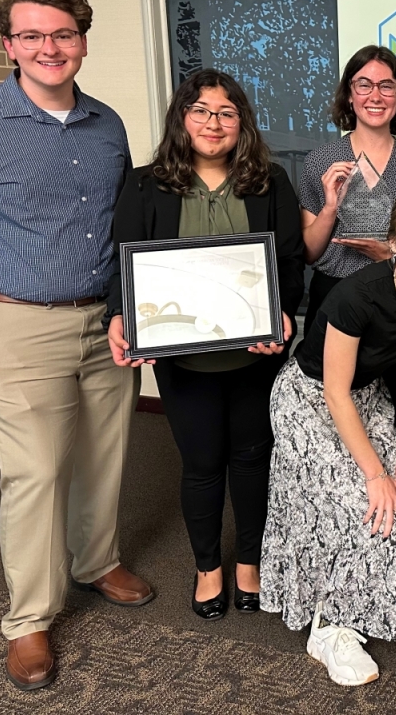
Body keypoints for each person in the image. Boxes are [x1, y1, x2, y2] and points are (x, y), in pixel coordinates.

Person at [0, 0, 151, 691]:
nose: (50, 48)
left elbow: (122, 227)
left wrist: (129, 308)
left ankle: (95, 561)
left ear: (82, 40)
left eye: (64, 35)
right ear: (9, 45)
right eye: (33, 36)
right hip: (14, 321)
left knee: (106, 453)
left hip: (103, 320)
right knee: (36, 472)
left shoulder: (106, 124)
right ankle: (28, 620)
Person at [105, 69, 306, 620]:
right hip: (182, 357)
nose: (213, 123)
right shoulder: (147, 185)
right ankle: (207, 568)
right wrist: (122, 315)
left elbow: (288, 261)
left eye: (226, 113)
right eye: (201, 111)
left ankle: (248, 564)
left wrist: (282, 316)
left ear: (241, 124)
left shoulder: (270, 183)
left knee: (250, 457)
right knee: (200, 463)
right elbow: (124, 262)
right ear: (182, 119)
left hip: (252, 355)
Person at [259, 187, 396, 686]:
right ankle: (328, 628)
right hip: (311, 401)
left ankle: (390, 603)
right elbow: (335, 392)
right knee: (360, 501)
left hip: (365, 399)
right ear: (392, 242)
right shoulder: (356, 296)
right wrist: (373, 472)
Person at [300, 44, 396, 329]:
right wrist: (330, 207)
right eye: (364, 85)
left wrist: (389, 256)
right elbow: (308, 254)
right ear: (349, 95)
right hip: (332, 294)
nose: (375, 96)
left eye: (386, 86)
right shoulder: (320, 162)